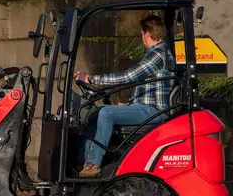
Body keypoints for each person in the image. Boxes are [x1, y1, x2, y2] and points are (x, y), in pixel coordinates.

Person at [73, 14, 175, 178]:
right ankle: (81, 161)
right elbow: (146, 89)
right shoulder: (157, 54)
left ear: (146, 34)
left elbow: (128, 77)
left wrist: (90, 78)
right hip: (146, 107)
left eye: (142, 33)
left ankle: (93, 164)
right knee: (97, 112)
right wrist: (128, 106)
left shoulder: (158, 55)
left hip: (153, 111)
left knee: (107, 113)